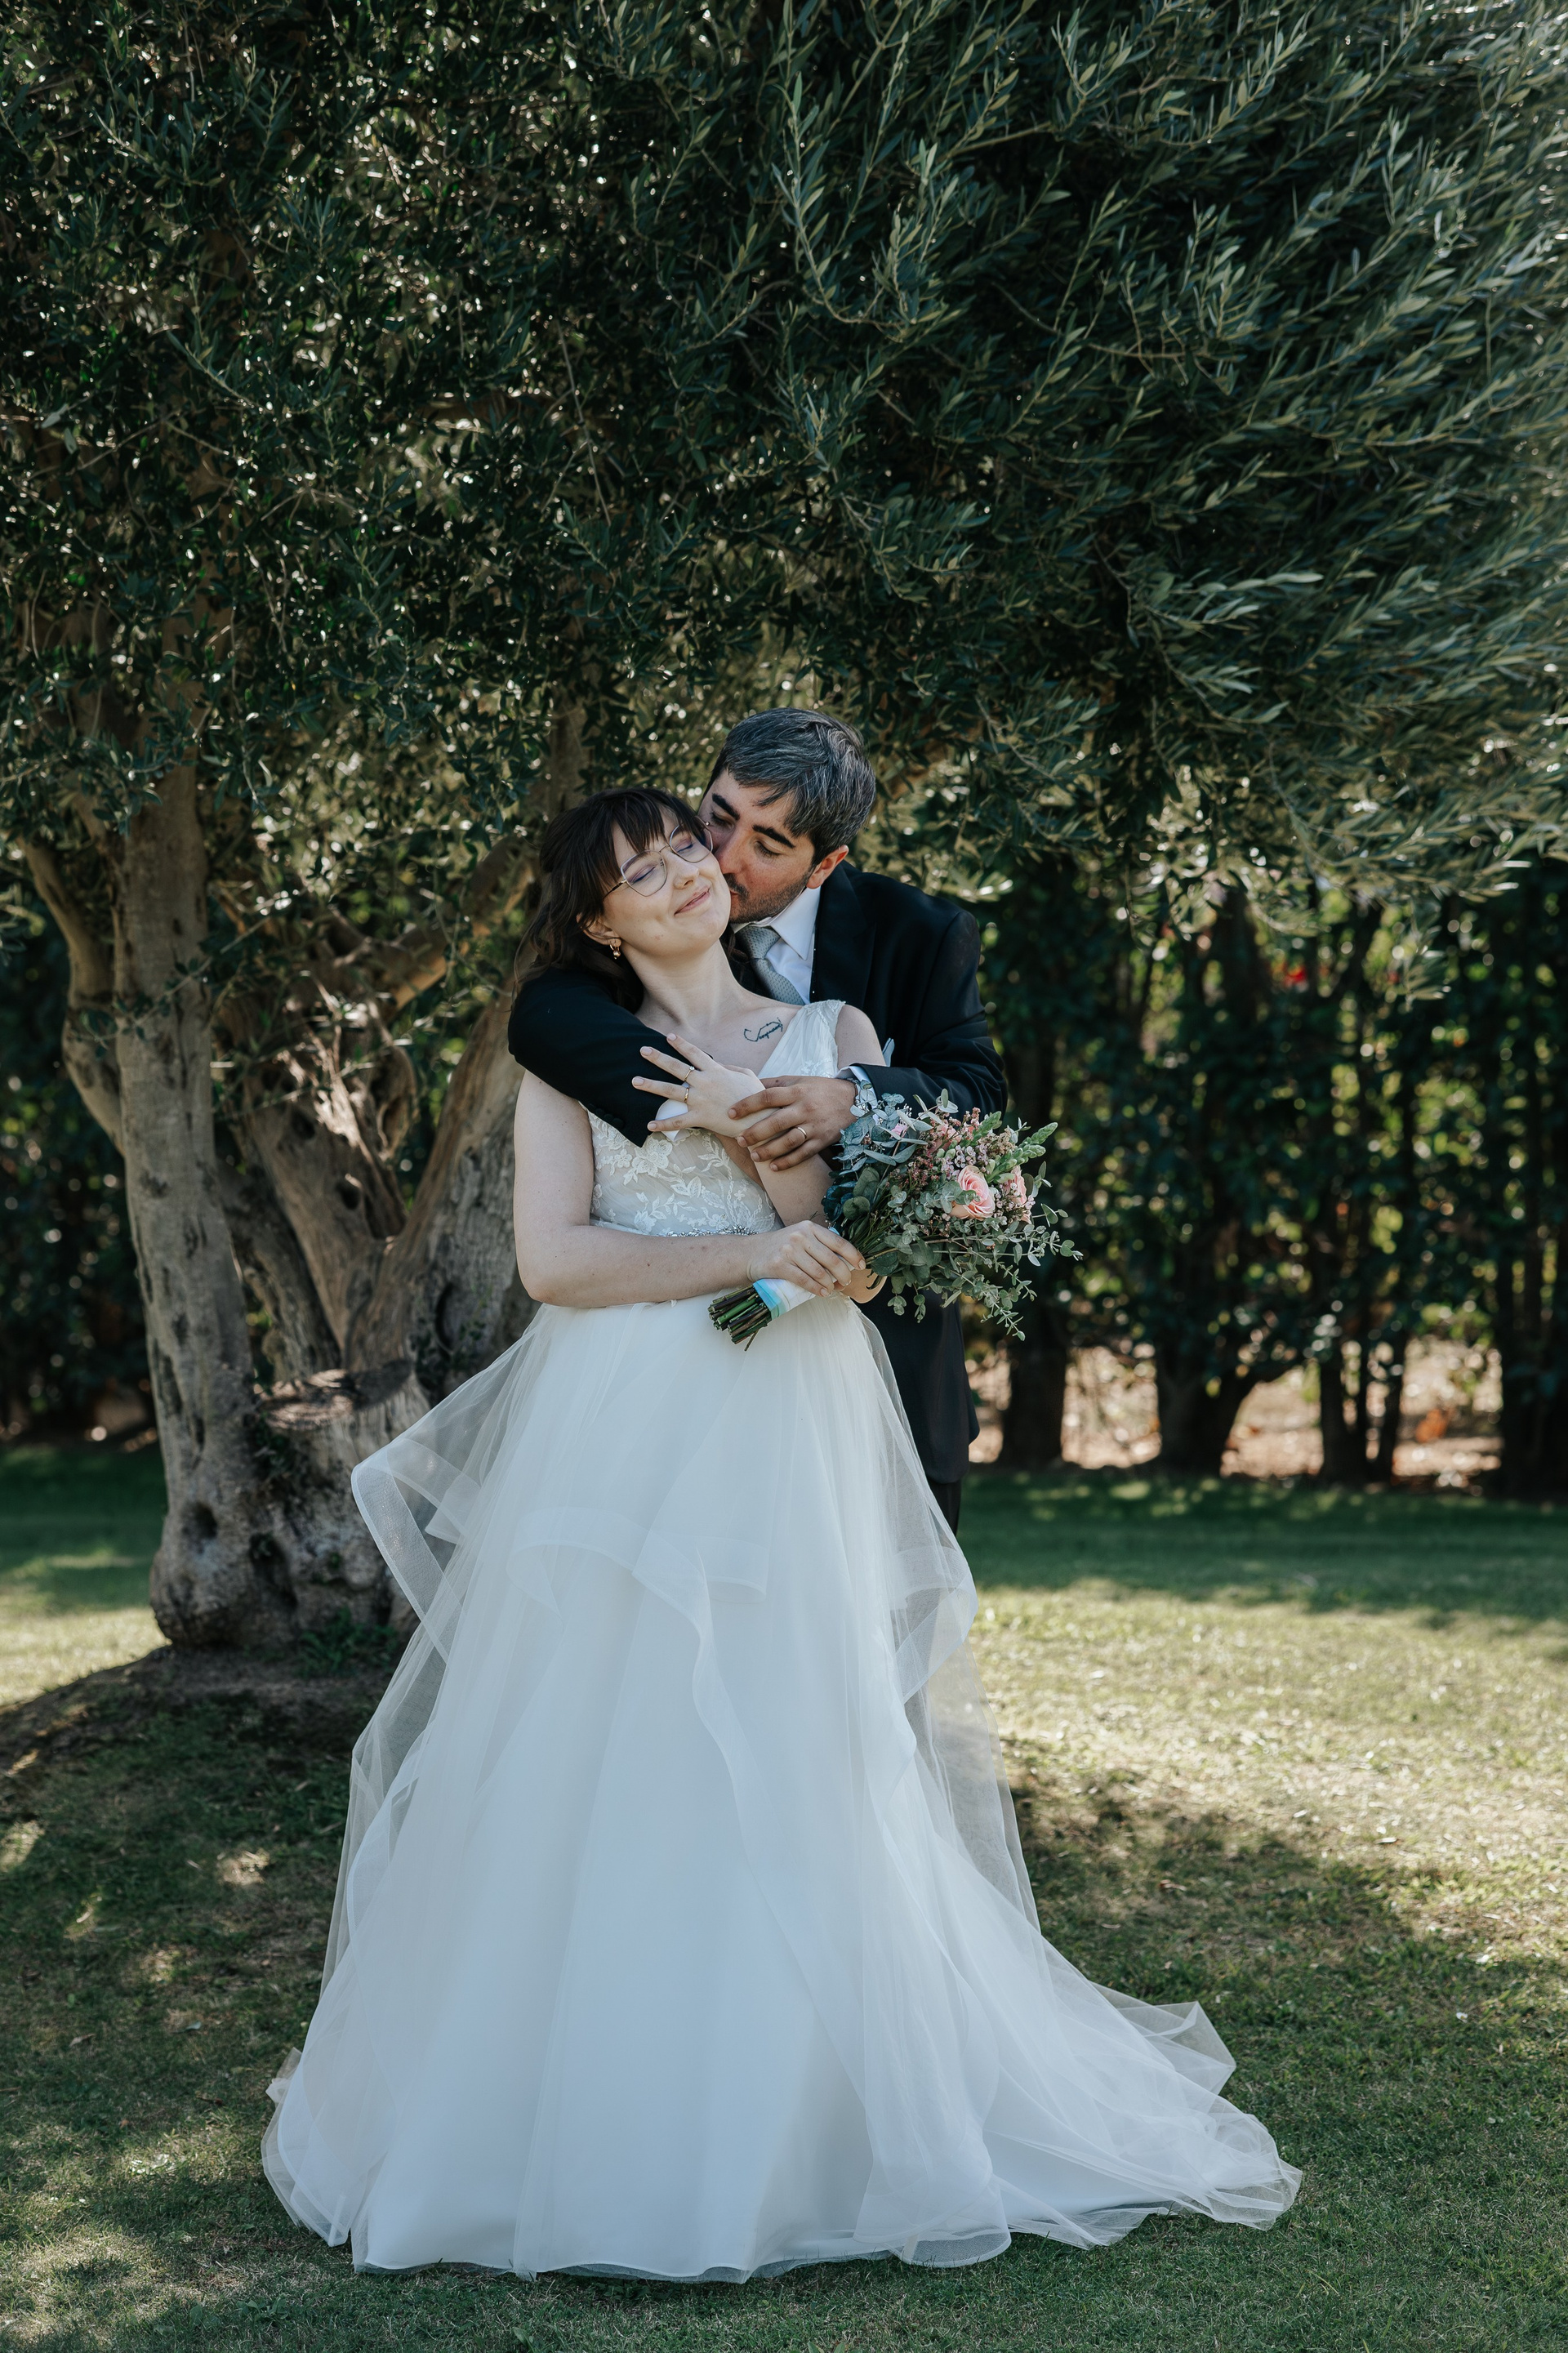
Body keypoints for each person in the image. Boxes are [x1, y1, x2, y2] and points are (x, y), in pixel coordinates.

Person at [262, 787, 1300, 2283]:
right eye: (643, 871)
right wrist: (745, 1237)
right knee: (612, 1728)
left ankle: (813, 2114)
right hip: (623, 1422)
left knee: (802, 1721)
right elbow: (555, 1262)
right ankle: (580, 2107)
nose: (685, 873)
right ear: (599, 921)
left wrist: (748, 1134)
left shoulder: (836, 1036)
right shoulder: (573, 1054)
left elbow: (848, 1249)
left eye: (688, 847)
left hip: (792, 1421)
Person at [507, 710, 1005, 1532]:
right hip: (636, 1397)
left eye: (769, 844)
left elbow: (976, 1096)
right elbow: (541, 1023)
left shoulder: (910, 946)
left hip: (861, 1372)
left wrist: (847, 1095)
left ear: (825, 864)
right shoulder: (580, 1013)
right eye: (716, 819)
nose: (722, 859)